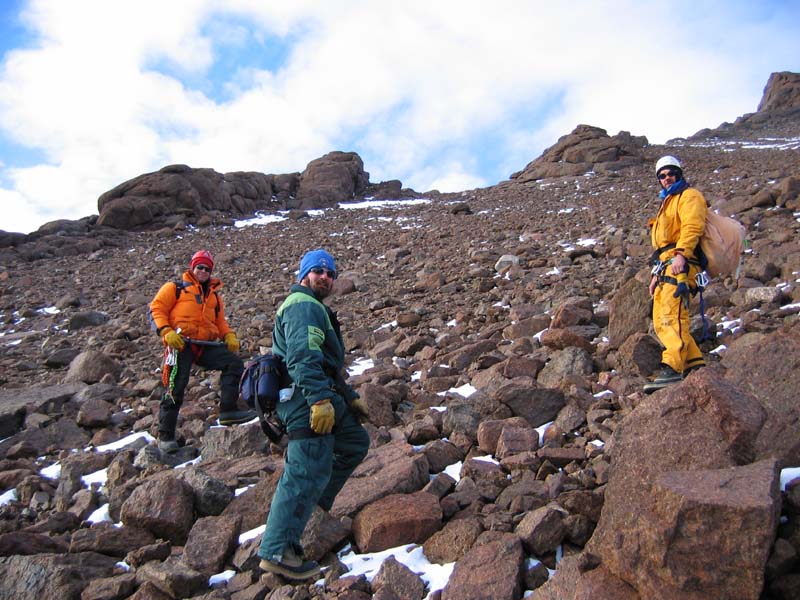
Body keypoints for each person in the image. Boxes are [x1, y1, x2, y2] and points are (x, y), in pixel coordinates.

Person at [258, 249, 370, 580]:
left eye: (330, 273)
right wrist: (320, 400)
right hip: (303, 397)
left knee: (354, 442)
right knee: (306, 467)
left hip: (319, 391)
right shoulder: (303, 306)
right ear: (304, 275)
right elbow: (302, 358)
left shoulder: (314, 306)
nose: (325, 277)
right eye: (318, 271)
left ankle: (310, 507)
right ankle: (277, 550)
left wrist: (349, 398)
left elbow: (326, 365)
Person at [149, 250, 254, 451]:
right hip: (180, 343)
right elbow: (156, 309)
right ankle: (165, 435)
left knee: (233, 363)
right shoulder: (175, 288)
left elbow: (220, 322)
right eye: (200, 267)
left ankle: (228, 411)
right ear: (192, 267)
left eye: (207, 268)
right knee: (175, 385)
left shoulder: (214, 296)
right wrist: (165, 331)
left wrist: (228, 335)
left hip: (205, 345)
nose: (203, 271)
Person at [645, 156, 707, 393]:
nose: (667, 178)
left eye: (671, 173)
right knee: (660, 315)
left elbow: (692, 227)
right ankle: (694, 363)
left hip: (682, 262)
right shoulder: (667, 202)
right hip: (666, 264)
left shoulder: (689, 196)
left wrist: (682, 254)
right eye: (662, 176)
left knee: (672, 313)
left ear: (679, 174)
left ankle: (673, 365)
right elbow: (662, 247)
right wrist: (656, 274)